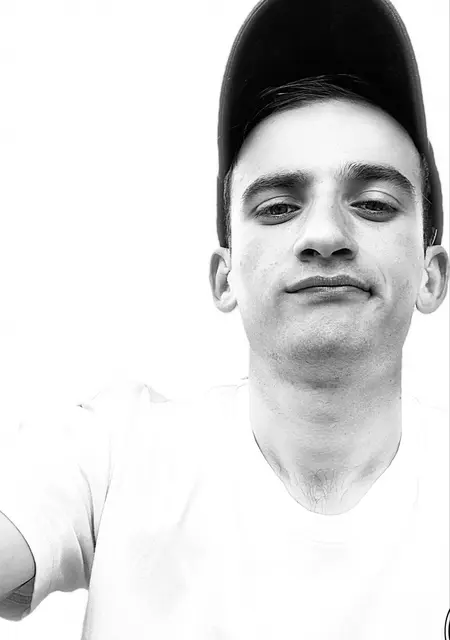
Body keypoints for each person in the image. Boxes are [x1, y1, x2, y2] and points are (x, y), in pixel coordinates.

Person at [0, 0, 448, 638]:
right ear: (224, 275)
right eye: (277, 207)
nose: (324, 234)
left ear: (432, 274)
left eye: (373, 204)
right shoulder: (114, 458)